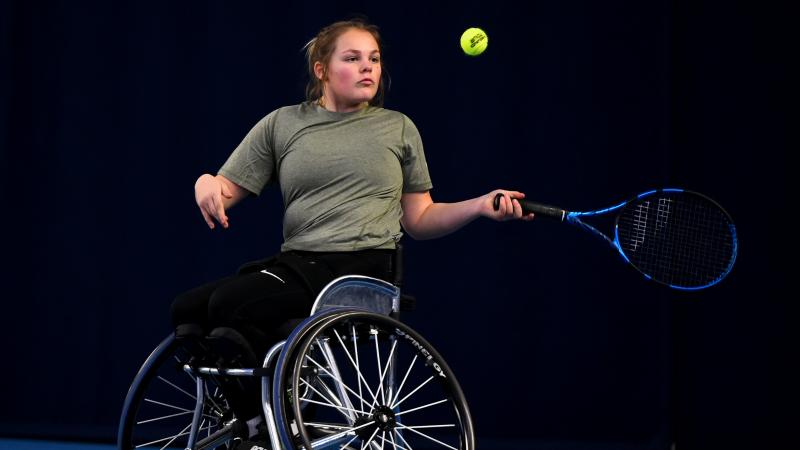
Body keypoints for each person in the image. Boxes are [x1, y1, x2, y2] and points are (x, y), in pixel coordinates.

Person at [169, 18, 533, 448]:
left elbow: (419, 219)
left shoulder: (397, 128)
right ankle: (258, 416)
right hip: (297, 264)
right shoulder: (283, 125)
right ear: (322, 70)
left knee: (231, 303)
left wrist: (479, 206)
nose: (368, 69)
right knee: (187, 310)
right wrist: (205, 183)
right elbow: (224, 190)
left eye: (374, 59)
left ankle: (269, 420)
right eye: (353, 58)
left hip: (362, 266)